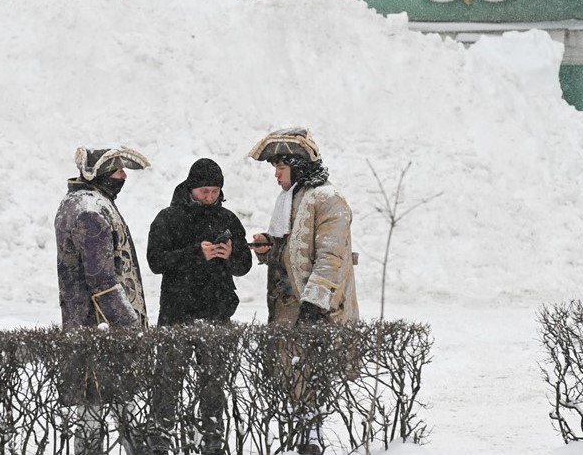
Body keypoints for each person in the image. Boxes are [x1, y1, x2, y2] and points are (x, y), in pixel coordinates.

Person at [247, 127, 360, 455]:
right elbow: (294, 249)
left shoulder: (328, 199)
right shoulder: (291, 198)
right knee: (292, 375)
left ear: (297, 166)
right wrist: (270, 248)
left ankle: (311, 436)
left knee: (310, 375)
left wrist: (315, 304)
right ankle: (296, 432)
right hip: (287, 306)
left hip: (313, 307)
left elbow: (330, 256)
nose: (276, 176)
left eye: (280, 169)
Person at [146, 157, 252, 455]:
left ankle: (214, 441)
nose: (209, 196)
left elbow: (244, 265)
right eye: (204, 190)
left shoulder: (228, 219)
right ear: (191, 188)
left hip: (216, 313)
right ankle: (159, 440)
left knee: (213, 386)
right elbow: (156, 262)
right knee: (167, 383)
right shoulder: (167, 218)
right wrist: (197, 253)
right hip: (176, 313)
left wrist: (231, 253)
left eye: (215, 191)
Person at [55, 145, 151, 455]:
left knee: (91, 412)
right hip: (101, 328)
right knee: (120, 410)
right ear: (99, 174)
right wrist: (128, 325)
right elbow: (101, 280)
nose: (123, 176)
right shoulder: (90, 210)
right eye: (118, 171)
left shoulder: (82, 202)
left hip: (86, 325)